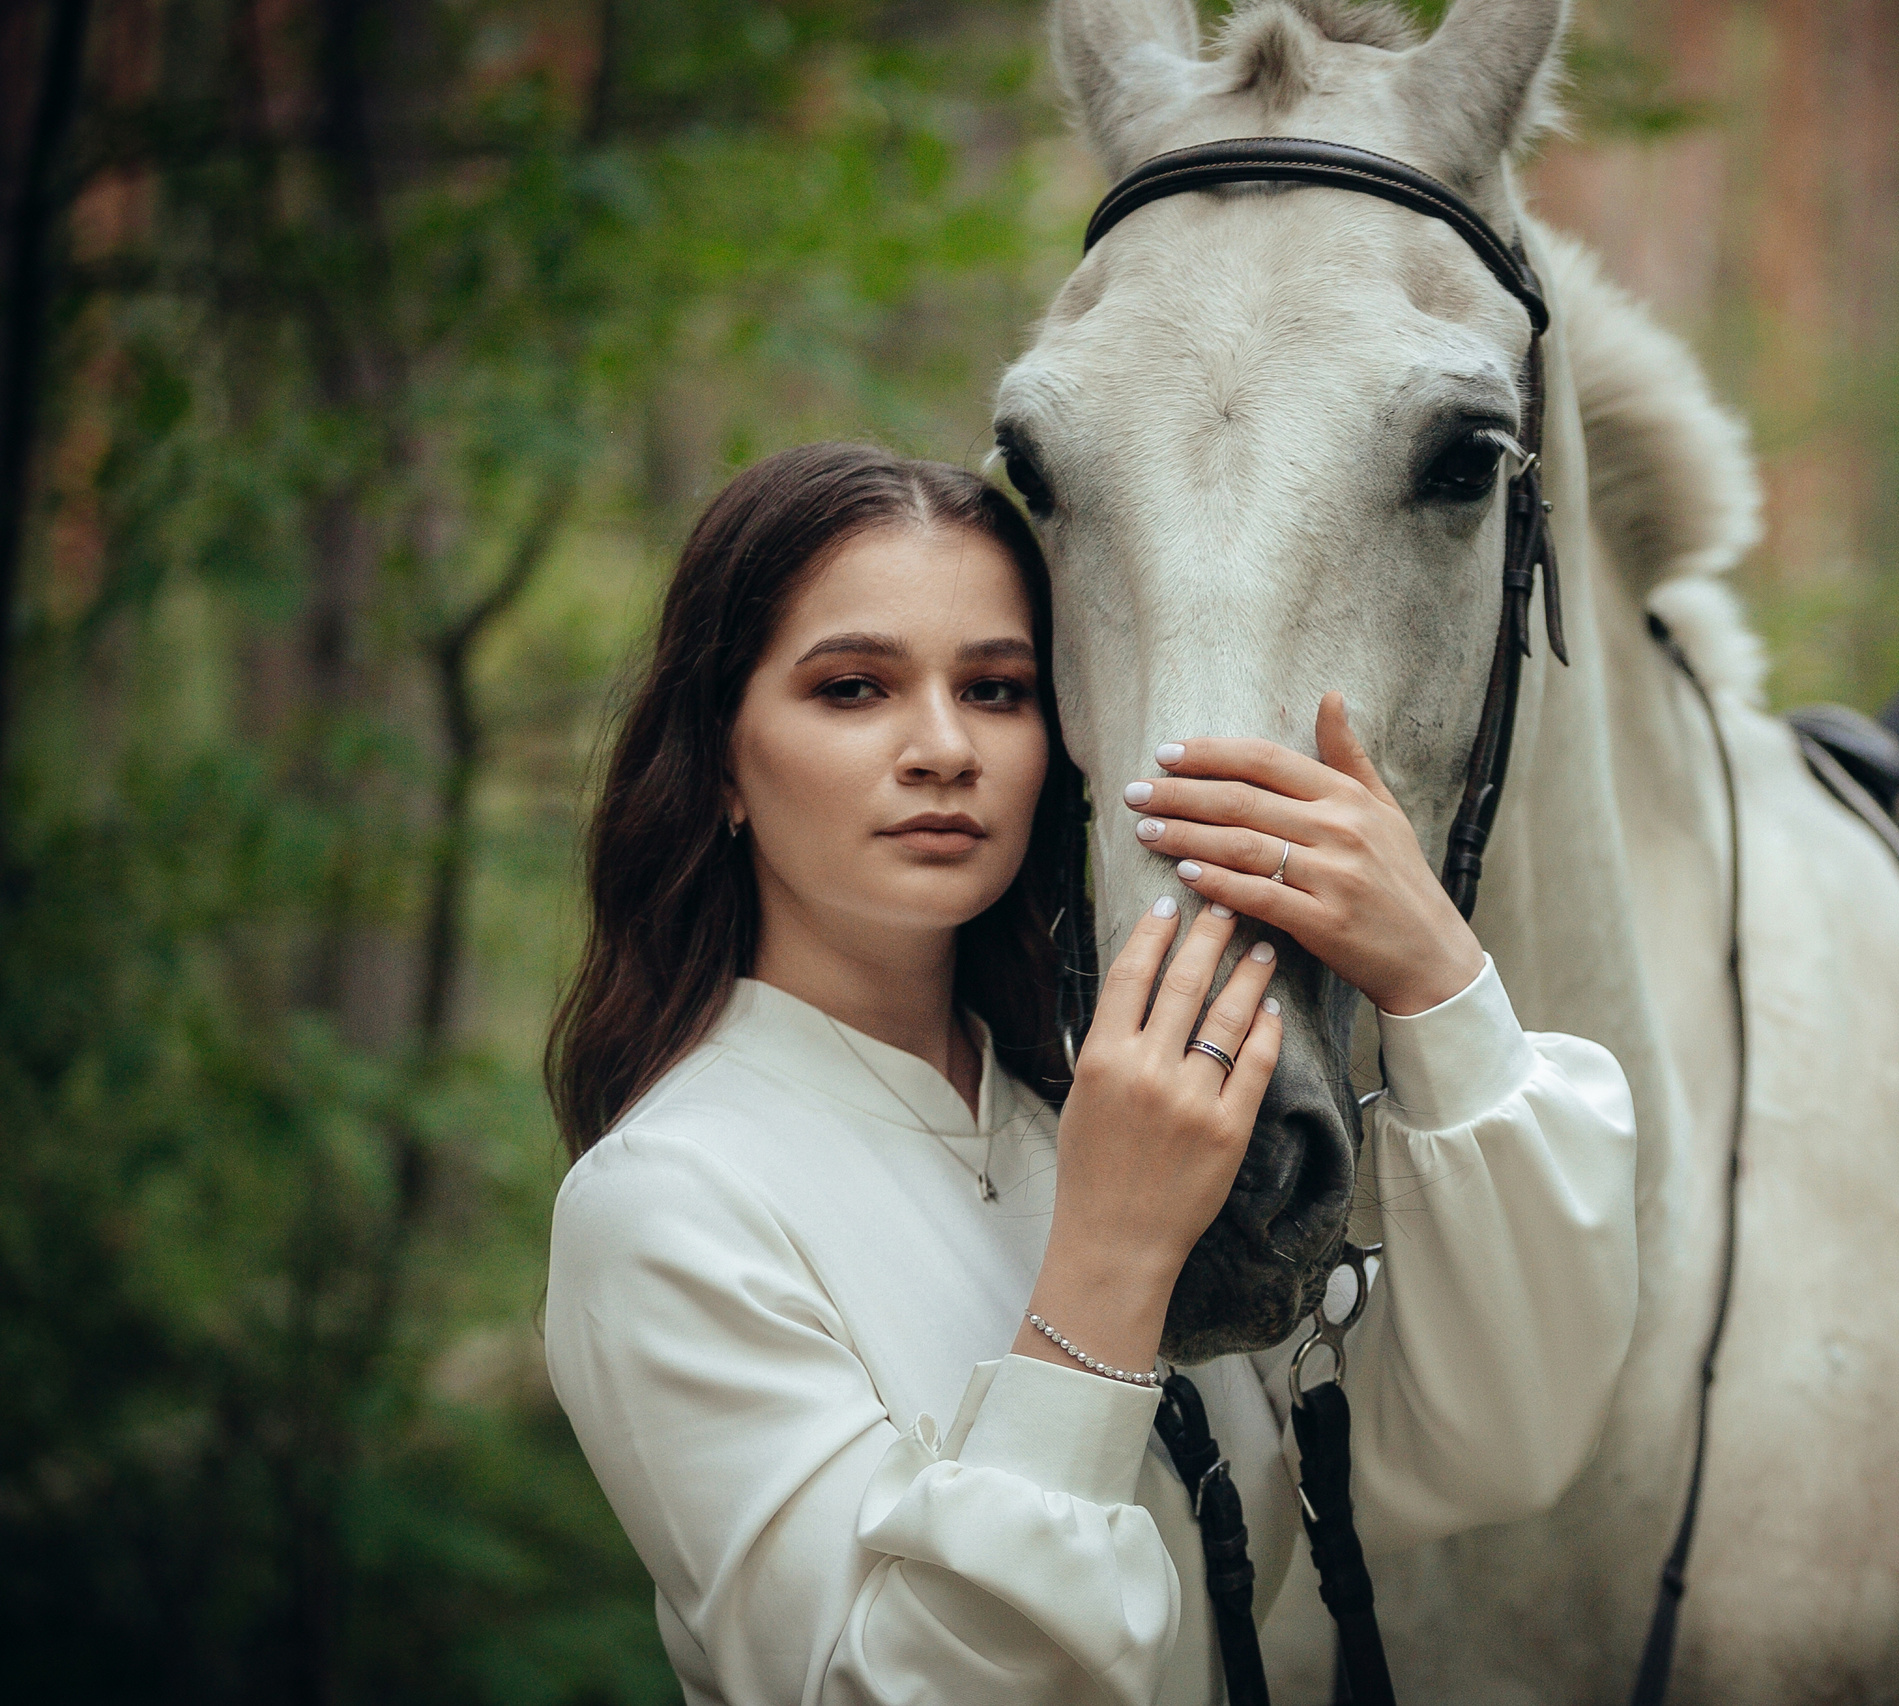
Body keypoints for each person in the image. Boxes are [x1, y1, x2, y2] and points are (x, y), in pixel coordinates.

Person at [542, 442, 1639, 1706]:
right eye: (853, 687)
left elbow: (1491, 1440)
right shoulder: (671, 1199)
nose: (943, 747)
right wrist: (1109, 1257)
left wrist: (1438, 982)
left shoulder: (1103, 1107)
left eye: (999, 689)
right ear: (724, 763)